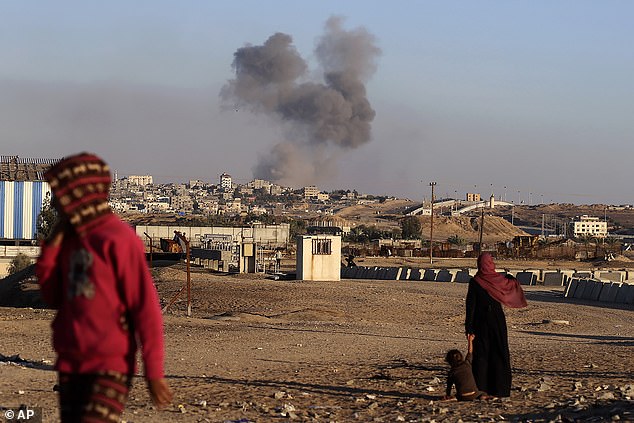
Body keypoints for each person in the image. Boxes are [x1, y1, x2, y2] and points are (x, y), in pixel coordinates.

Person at [36, 153, 172, 422]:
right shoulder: (71, 241)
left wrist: (153, 372)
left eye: (59, 195)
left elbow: (145, 310)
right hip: (71, 363)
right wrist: (52, 246)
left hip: (109, 365)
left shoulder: (119, 240)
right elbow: (52, 296)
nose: (54, 204)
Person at [465, 252, 527, 398]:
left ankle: (481, 388)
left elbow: (470, 306)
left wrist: (469, 327)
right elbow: (512, 284)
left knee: (481, 355)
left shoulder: (475, 281)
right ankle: (501, 389)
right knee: (499, 352)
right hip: (497, 322)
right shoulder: (499, 280)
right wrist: (511, 278)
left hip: (480, 323)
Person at [443, 334, 487, 401]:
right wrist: (470, 340)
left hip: (461, 396)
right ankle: (483, 397)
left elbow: (449, 387)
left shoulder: (451, 372)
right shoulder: (467, 364)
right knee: (483, 393)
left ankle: (453, 398)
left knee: (457, 396)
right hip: (474, 394)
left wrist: (448, 395)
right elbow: (470, 352)